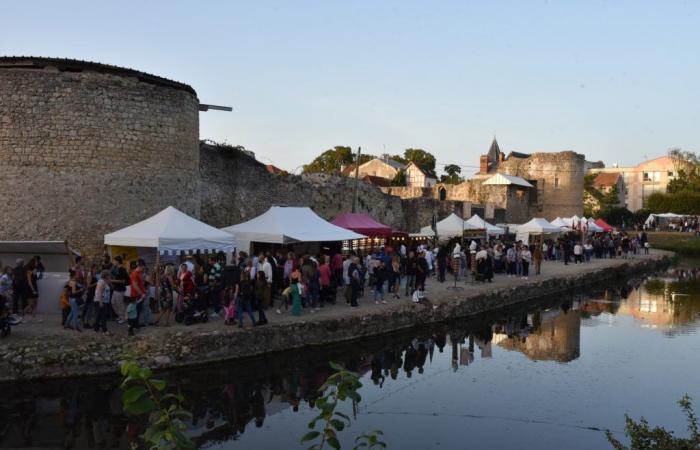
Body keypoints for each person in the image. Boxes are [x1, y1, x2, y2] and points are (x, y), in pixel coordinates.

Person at [110, 256, 129, 324]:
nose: (113, 262)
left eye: (114, 261)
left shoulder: (122, 269)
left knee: (120, 303)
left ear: (118, 261)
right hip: (116, 288)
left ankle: (122, 317)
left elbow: (123, 281)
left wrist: (112, 280)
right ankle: (120, 315)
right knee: (113, 302)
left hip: (120, 289)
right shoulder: (116, 268)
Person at [93, 270, 111, 334]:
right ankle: (104, 330)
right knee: (103, 316)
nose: (109, 276)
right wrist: (100, 302)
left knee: (99, 315)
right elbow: (99, 292)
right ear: (106, 276)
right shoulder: (101, 282)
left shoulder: (104, 281)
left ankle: (96, 328)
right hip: (100, 301)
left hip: (103, 301)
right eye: (109, 275)